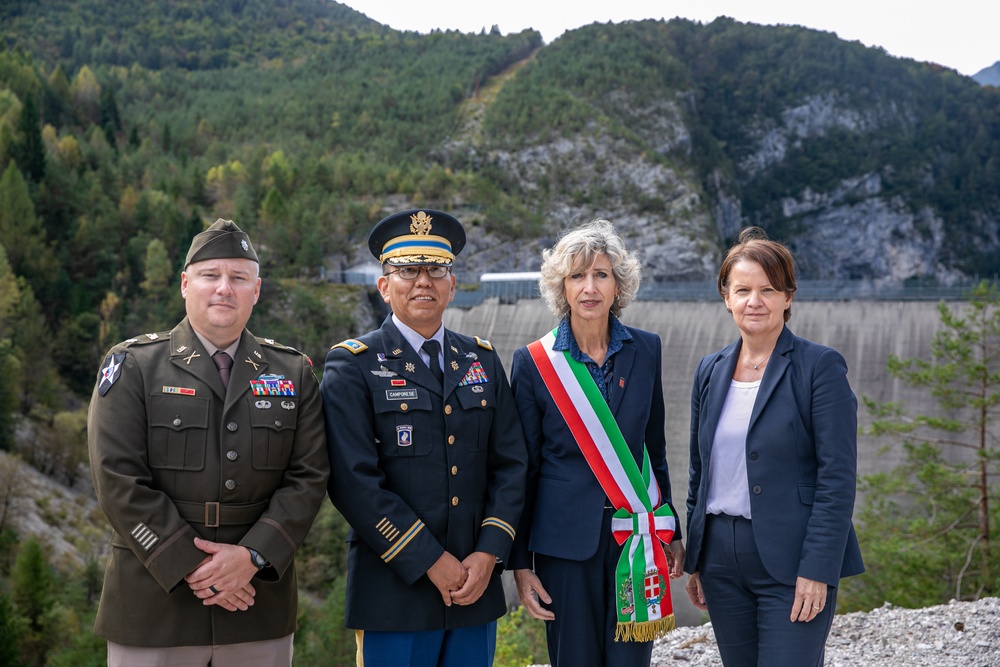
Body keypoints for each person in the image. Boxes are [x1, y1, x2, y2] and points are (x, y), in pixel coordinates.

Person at [87, 218, 330, 666]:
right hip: (154, 605)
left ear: (256, 290)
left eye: (238, 278)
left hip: (257, 601)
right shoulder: (134, 366)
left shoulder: (292, 371)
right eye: (210, 275)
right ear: (185, 284)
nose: (224, 288)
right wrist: (193, 567)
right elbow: (116, 479)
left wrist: (253, 557)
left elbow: (309, 478)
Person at [321, 209, 527, 667]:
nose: (423, 282)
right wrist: (430, 559)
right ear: (383, 285)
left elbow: (512, 464)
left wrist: (490, 553)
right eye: (407, 270)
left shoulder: (482, 361)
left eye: (436, 270)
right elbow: (354, 481)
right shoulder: (352, 365)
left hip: (476, 588)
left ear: (452, 284)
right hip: (396, 589)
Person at [683, 226, 865, 666]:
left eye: (768, 289)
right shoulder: (711, 370)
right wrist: (697, 558)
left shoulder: (819, 367)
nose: (754, 301)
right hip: (721, 560)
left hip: (792, 558)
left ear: (788, 297)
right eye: (742, 289)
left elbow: (836, 480)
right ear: (726, 297)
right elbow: (699, 471)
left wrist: (817, 570)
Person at [509, 219, 685, 667]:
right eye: (577, 276)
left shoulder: (647, 350)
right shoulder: (533, 363)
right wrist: (520, 562)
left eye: (601, 275)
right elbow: (522, 468)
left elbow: (654, 449)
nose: (590, 287)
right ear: (561, 288)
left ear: (617, 285)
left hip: (638, 536)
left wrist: (671, 531)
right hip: (564, 546)